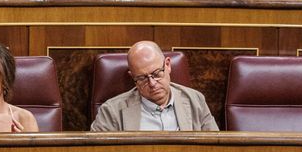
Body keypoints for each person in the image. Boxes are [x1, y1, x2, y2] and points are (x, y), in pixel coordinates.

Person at [91, 41, 219, 132]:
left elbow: (215, 151)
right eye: (142, 78)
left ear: (167, 65)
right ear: (133, 77)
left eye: (156, 74)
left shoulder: (195, 100)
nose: (152, 83)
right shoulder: (111, 111)